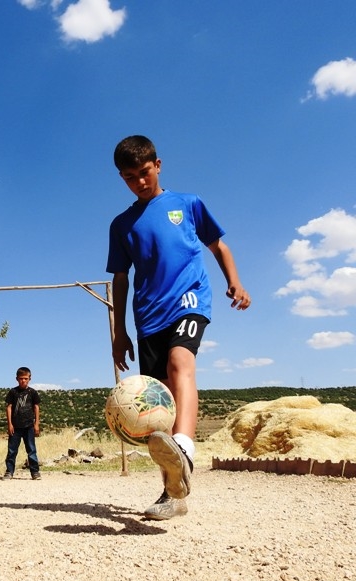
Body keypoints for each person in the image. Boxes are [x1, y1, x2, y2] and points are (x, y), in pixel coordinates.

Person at [106, 135, 251, 520]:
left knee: (179, 364)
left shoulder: (187, 204)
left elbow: (218, 245)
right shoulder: (121, 225)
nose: (139, 181)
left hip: (189, 301)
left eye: (144, 171)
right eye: (129, 177)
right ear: (122, 177)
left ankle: (185, 449)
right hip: (147, 315)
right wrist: (119, 331)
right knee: (159, 406)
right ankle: (174, 491)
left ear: (158, 164)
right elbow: (120, 278)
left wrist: (233, 280)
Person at [3, 367, 42, 480]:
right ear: (17, 379)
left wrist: (36, 424)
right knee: (12, 450)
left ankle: (35, 472)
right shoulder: (13, 392)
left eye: (25, 378)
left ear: (30, 378)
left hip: (29, 426)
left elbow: (36, 407)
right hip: (15, 427)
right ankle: (9, 471)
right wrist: (9, 424)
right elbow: (9, 407)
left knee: (31, 450)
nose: (23, 381)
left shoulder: (32, 392)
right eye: (21, 379)